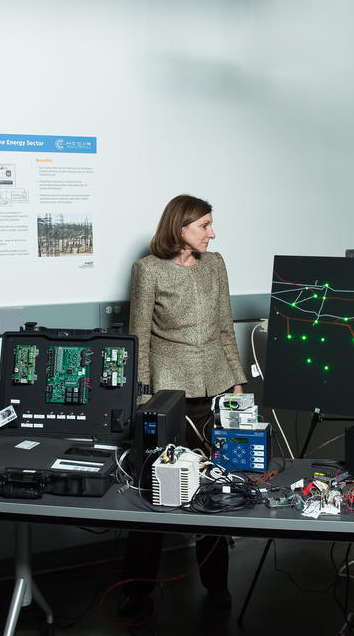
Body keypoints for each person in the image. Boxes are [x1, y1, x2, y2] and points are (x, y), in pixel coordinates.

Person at [120, 194, 248, 614]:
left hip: (213, 391)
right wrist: (142, 401)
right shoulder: (148, 270)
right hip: (166, 397)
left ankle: (217, 586)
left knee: (215, 488)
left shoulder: (216, 265)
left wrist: (237, 382)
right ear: (180, 229)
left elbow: (226, 327)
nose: (213, 233)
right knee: (155, 492)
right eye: (205, 225)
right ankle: (138, 591)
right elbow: (138, 338)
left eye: (212, 225)